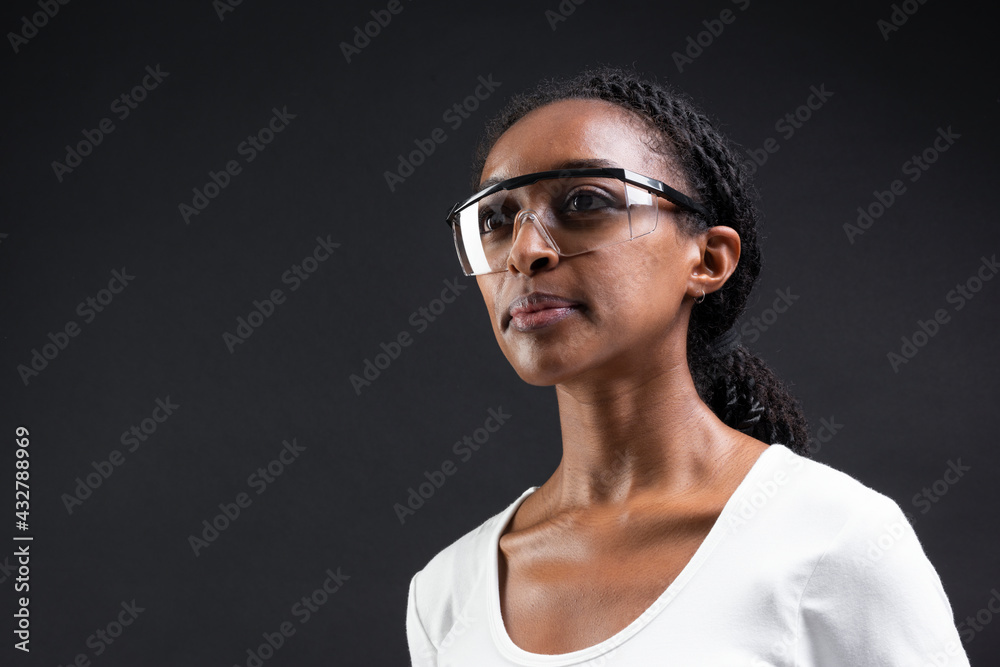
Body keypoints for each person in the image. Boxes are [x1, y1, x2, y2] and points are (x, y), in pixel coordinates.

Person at [405, 66, 969, 665]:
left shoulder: (835, 543)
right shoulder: (448, 595)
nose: (526, 250)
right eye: (495, 220)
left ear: (707, 259)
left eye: (585, 202)